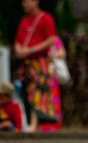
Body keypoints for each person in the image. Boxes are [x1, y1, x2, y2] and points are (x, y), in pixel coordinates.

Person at [14, 0, 58, 132]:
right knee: (26, 92)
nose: (24, 4)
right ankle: (32, 123)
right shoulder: (24, 20)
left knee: (37, 91)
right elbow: (17, 41)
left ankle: (34, 124)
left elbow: (51, 39)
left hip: (40, 63)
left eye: (27, 1)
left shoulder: (45, 18)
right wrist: (19, 50)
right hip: (26, 65)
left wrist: (31, 50)